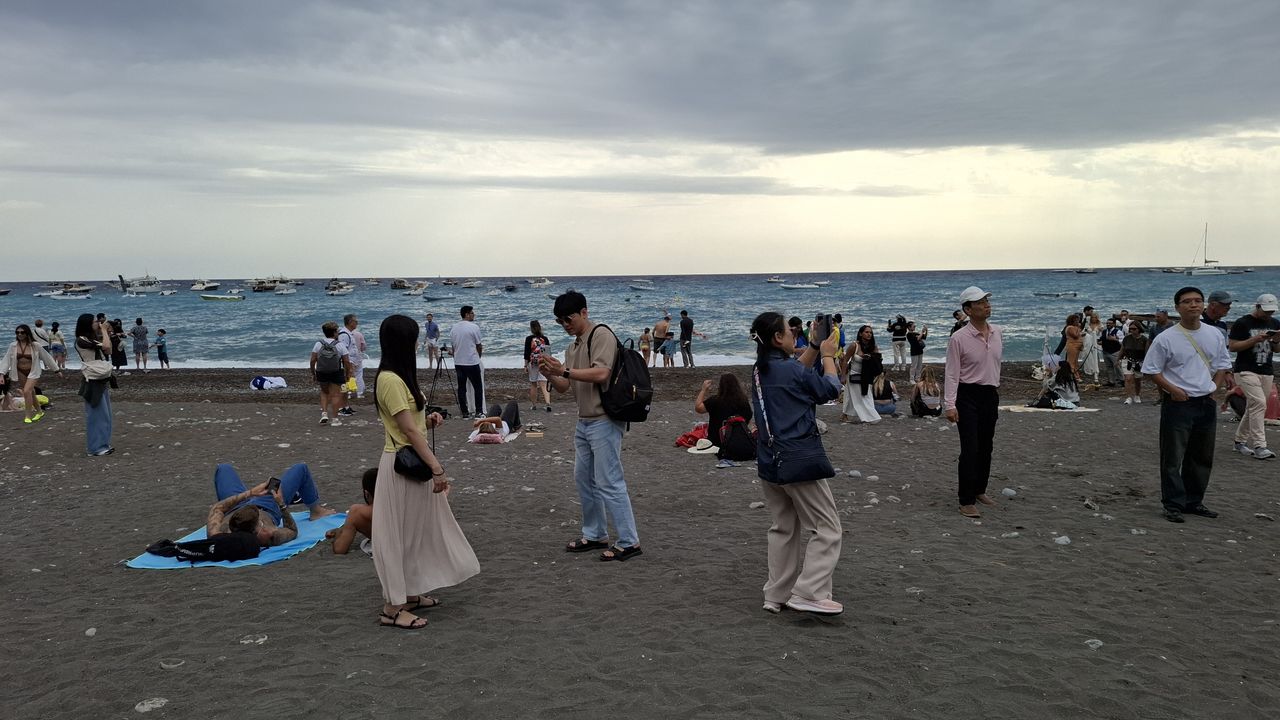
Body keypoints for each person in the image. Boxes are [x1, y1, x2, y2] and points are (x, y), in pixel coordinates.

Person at [373, 313, 478, 630]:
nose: (419, 342)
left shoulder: (400, 377)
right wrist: (437, 468)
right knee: (399, 536)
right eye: (415, 337)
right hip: (400, 467)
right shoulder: (389, 379)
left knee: (417, 532)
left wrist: (428, 418)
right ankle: (392, 608)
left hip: (410, 464)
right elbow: (409, 433)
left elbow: (413, 424)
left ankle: (411, 592)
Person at [749, 311, 843, 615]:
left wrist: (814, 346)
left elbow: (794, 375)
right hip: (798, 458)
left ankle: (776, 593)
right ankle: (809, 592)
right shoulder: (787, 370)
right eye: (790, 331)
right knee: (827, 528)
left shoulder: (761, 370)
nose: (794, 335)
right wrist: (828, 355)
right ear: (778, 338)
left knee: (784, 527)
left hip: (770, 459)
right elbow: (830, 389)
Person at [539, 291, 642, 562]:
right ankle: (595, 534)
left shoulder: (601, 335)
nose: (565, 324)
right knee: (584, 479)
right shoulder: (573, 347)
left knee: (610, 481)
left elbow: (601, 373)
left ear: (584, 312)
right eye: (560, 321)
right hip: (584, 421)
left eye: (568, 318)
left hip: (605, 419)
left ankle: (629, 541)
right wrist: (549, 372)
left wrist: (564, 371)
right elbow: (565, 387)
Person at [1141, 286, 1232, 523]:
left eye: (1197, 301)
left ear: (1204, 305)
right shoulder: (1166, 338)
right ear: (1177, 308)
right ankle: (1173, 504)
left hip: (1205, 402)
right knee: (1173, 456)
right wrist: (1173, 390)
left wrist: (1215, 387)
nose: (1193, 305)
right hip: (1178, 403)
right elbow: (1151, 370)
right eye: (1187, 301)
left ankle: (1194, 501)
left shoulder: (1214, 334)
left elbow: (1223, 363)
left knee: (1201, 455)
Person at [944, 286, 1003, 519]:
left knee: (986, 445)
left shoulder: (998, 332)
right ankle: (966, 499)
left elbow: (995, 364)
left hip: (990, 394)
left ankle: (980, 489)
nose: (986, 304)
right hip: (966, 395)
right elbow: (951, 373)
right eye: (980, 302)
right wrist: (950, 404)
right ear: (968, 309)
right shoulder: (958, 338)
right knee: (970, 448)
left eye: (987, 300)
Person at [207, 462, 337, 546]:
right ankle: (316, 511)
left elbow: (217, 507)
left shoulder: (217, 535)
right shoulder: (267, 535)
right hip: (268, 506)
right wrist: (280, 503)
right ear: (258, 527)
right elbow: (292, 529)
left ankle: (291, 497)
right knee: (301, 468)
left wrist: (251, 493)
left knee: (223, 468)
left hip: (235, 506)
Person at [1227, 294, 1280, 460]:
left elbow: (1277, 350)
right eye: (1265, 311)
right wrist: (1255, 339)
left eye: (1271, 312)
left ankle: (1239, 441)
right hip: (1245, 369)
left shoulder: (1274, 323)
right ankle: (1260, 445)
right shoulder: (1243, 323)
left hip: (1266, 370)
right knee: (1259, 404)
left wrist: (1276, 341)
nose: (1268, 315)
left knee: (1254, 407)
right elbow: (1233, 347)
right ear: (1257, 307)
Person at [1, 324, 61, 424]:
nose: (20, 334)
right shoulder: (13, 346)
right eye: (17, 332)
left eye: (22, 332)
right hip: (20, 371)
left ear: (27, 333)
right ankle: (39, 412)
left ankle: (28, 415)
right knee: (31, 392)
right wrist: (1, 374)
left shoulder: (35, 345)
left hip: (33, 371)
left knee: (26, 391)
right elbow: (6, 360)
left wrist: (56, 370)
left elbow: (46, 357)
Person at [74, 313, 114, 456]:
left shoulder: (90, 338)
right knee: (96, 414)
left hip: (99, 377)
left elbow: (108, 349)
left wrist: (103, 332)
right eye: (96, 322)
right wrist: (104, 330)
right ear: (88, 324)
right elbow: (106, 347)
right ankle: (96, 448)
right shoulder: (81, 340)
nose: (98, 323)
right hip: (91, 379)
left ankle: (103, 444)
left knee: (105, 413)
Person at [695, 373, 754, 464]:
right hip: (737, 437)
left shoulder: (715, 400)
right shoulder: (743, 401)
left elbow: (698, 408)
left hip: (716, 440)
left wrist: (703, 390)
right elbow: (748, 416)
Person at [310, 321, 354, 426]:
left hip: (321, 371)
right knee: (336, 395)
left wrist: (313, 373)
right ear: (334, 333)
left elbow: (312, 360)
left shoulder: (318, 344)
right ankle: (334, 419)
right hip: (336, 371)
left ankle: (324, 413)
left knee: (324, 392)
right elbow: (346, 362)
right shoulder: (340, 345)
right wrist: (348, 374)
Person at [327, 468, 377, 555]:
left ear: (366, 494)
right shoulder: (404, 505)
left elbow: (340, 549)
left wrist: (339, 534)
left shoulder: (357, 512)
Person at [839, 325, 881, 424]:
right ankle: (869, 417)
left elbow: (877, 361)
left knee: (866, 396)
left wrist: (870, 358)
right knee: (854, 395)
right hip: (854, 374)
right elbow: (846, 360)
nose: (869, 334)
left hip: (867, 375)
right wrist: (843, 375)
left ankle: (850, 415)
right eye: (866, 332)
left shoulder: (873, 347)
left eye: (870, 332)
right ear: (861, 333)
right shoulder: (854, 345)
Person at [449, 305, 485, 417]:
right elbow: (479, 345)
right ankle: (479, 411)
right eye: (472, 313)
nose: (473, 315)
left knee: (461, 387)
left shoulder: (454, 328)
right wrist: (478, 357)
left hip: (459, 361)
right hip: (471, 361)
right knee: (477, 386)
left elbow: (454, 346)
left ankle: (464, 412)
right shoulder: (474, 327)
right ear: (467, 314)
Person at [337, 314, 367, 414]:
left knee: (347, 385)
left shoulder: (349, 333)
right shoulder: (344, 334)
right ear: (350, 322)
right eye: (355, 321)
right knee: (344, 385)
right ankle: (342, 407)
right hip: (347, 363)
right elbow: (342, 351)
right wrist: (348, 366)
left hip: (351, 363)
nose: (357, 323)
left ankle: (346, 406)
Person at [524, 320, 552, 412]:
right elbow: (548, 353)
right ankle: (548, 403)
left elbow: (526, 353)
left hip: (532, 363)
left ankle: (534, 405)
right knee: (544, 384)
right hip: (542, 361)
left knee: (533, 384)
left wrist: (525, 365)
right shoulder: (545, 338)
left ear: (531, 329)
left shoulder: (529, 339)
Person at [1120, 321, 1149, 405]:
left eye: (1134, 329)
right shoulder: (1126, 338)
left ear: (1139, 329)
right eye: (1130, 329)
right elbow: (1122, 349)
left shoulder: (1144, 339)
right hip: (1127, 360)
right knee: (1128, 378)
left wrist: (1147, 363)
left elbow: (1146, 352)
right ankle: (1128, 397)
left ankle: (1137, 395)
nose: (1132, 330)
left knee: (1137, 380)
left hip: (1139, 361)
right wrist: (1118, 359)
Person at [1100, 317, 1124, 387]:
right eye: (1107, 323)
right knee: (1109, 367)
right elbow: (1102, 339)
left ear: (1114, 324)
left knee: (1117, 367)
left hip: (1115, 352)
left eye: (1110, 323)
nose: (1108, 325)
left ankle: (1122, 380)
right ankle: (1111, 381)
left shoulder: (1118, 332)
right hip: (1105, 351)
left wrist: (1115, 339)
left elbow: (1123, 342)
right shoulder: (1104, 331)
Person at [1080, 313, 1102, 384]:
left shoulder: (1100, 325)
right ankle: (1088, 369)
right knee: (1087, 354)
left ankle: (1096, 369)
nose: (1093, 318)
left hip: (1096, 341)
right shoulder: (1087, 325)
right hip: (1088, 341)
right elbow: (1084, 332)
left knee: (1095, 355)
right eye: (1092, 317)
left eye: (1095, 317)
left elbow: (1101, 334)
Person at [1063, 313, 1083, 381]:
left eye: (1078, 320)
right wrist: (1079, 328)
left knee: (1075, 362)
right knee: (1071, 361)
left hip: (1077, 345)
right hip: (1072, 345)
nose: (1078, 322)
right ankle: (1072, 375)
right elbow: (1075, 335)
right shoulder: (1069, 328)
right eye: (1076, 321)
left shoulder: (1075, 327)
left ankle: (1076, 375)